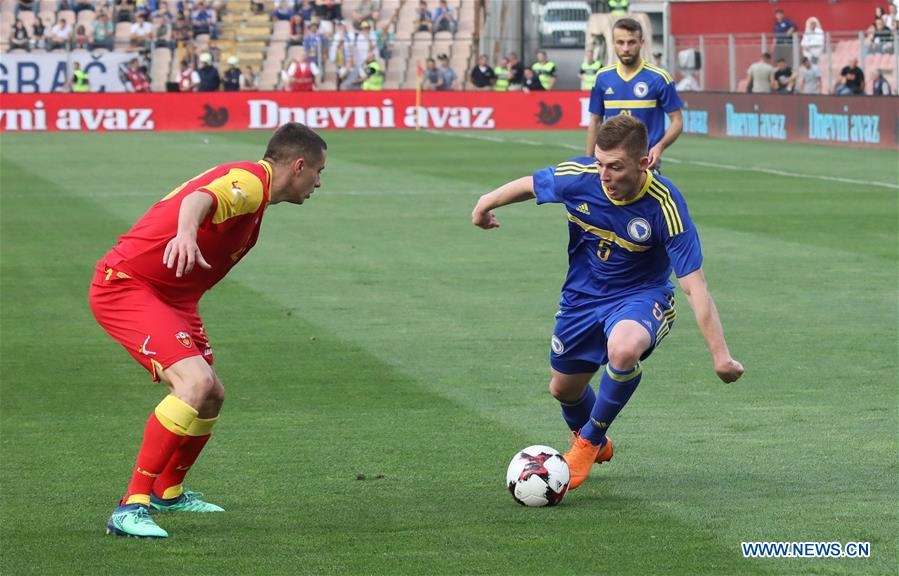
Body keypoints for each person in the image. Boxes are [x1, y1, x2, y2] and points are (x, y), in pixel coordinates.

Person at [471, 114, 743, 491]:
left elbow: (695, 286)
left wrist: (721, 357)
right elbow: (531, 185)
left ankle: (588, 443)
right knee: (562, 390)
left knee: (624, 348)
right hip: (581, 300)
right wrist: (485, 204)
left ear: (644, 162)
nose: (604, 175)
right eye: (599, 163)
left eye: (615, 167)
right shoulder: (581, 177)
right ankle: (592, 439)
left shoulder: (666, 205)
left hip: (641, 297)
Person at [90, 123, 328, 539]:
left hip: (174, 300)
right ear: (299, 165)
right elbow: (201, 198)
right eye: (319, 172)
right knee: (195, 383)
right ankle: (130, 507)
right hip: (128, 286)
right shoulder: (252, 183)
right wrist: (185, 233)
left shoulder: (256, 195)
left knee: (212, 393)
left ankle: (169, 490)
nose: (319, 183)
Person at [585, 18, 683, 170]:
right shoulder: (602, 78)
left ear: (641, 43)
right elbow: (595, 121)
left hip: (645, 166)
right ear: (613, 42)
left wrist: (659, 147)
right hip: (610, 168)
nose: (625, 48)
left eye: (631, 42)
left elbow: (677, 121)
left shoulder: (659, 78)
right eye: (620, 42)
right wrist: (588, 160)